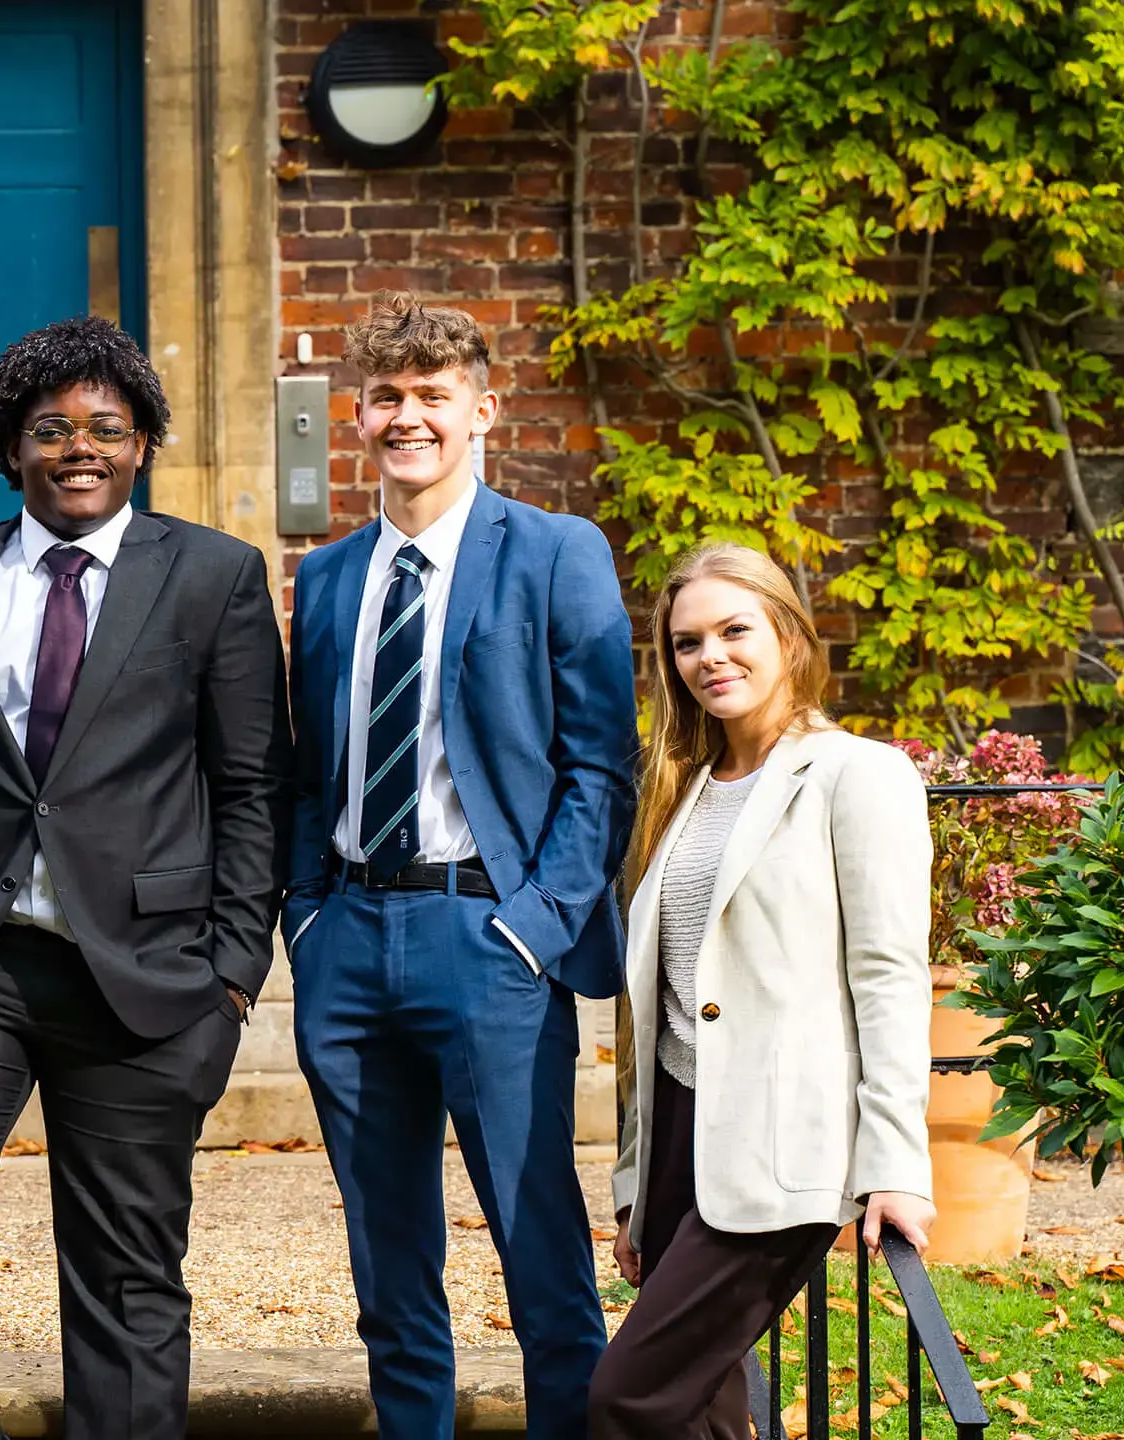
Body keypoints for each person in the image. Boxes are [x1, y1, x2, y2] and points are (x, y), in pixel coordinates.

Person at [0, 315, 292, 1440]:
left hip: (143, 976)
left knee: (127, 1271)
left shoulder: (212, 578)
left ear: (142, 443)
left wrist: (232, 969)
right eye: (51, 428)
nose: (78, 446)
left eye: (107, 425)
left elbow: (251, 785)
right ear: (12, 448)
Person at [282, 293, 635, 1439]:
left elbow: (601, 767)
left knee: (542, 1259)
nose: (407, 418)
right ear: (358, 414)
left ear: (482, 409)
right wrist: (304, 917)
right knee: (389, 1267)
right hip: (347, 941)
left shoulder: (554, 553)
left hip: (488, 941)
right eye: (386, 397)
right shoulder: (328, 577)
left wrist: (538, 923)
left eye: (432, 396)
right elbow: (303, 766)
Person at [588, 543, 935, 1439]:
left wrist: (896, 1164)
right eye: (687, 642)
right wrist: (636, 1178)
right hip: (679, 1140)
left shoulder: (860, 774)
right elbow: (657, 999)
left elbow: (889, 976)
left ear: (786, 633)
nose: (711, 657)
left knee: (627, 1396)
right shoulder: (684, 789)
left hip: (784, 1146)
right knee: (702, 1410)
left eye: (734, 630)